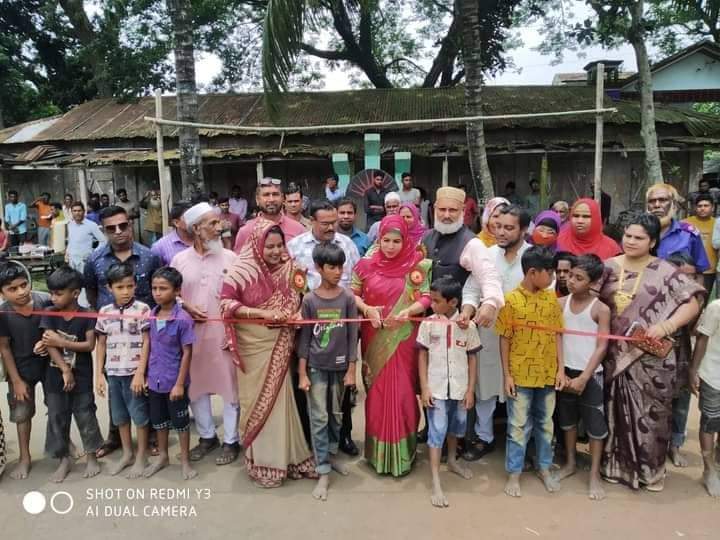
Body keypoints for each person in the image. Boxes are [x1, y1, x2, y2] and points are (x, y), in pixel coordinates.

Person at [598, 212, 703, 491]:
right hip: (614, 357)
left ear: (653, 241)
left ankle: (651, 472)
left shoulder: (667, 271)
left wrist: (666, 325)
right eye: (628, 235)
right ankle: (615, 467)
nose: (631, 241)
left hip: (653, 359)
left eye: (639, 237)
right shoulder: (607, 267)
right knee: (615, 412)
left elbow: (693, 303)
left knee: (653, 418)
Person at [221, 220, 316, 487]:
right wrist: (262, 313)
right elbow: (226, 303)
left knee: (281, 400)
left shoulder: (291, 269)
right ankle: (264, 462)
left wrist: (297, 314)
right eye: (269, 246)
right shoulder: (241, 270)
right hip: (254, 346)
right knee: (258, 401)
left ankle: (290, 457)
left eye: (279, 245)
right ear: (256, 245)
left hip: (282, 343)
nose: (275, 251)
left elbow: (302, 298)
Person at [352, 215, 432, 476]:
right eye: (385, 240)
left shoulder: (417, 266)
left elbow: (427, 296)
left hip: (404, 338)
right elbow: (352, 295)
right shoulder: (364, 266)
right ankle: (377, 455)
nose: (390, 246)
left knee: (404, 394)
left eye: (396, 241)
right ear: (378, 238)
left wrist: (411, 310)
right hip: (374, 337)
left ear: (405, 240)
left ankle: (404, 454)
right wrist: (366, 308)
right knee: (376, 395)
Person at [84, 205, 162, 458]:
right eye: (111, 228)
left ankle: (149, 435)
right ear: (103, 231)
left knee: (144, 384)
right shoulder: (94, 259)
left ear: (130, 224)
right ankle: (115, 436)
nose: (119, 232)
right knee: (114, 384)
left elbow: (159, 292)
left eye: (123, 225)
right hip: (111, 334)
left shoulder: (149, 256)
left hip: (144, 334)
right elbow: (92, 293)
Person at [287, 199, 360, 455]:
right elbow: (289, 287)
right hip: (309, 327)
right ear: (312, 222)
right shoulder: (295, 247)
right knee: (313, 391)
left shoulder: (347, 245)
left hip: (344, 322)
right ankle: (313, 443)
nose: (331, 227)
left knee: (342, 392)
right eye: (325, 223)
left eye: (334, 222)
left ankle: (343, 438)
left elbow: (357, 282)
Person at [172, 203, 240, 465]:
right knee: (197, 389)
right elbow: (171, 294)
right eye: (211, 224)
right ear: (196, 229)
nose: (218, 227)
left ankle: (231, 441)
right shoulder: (179, 261)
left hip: (224, 335)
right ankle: (207, 437)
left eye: (218, 222)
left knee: (229, 387)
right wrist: (186, 306)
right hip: (191, 337)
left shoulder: (231, 258)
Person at [461, 205, 531, 461]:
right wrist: (469, 310)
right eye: (497, 226)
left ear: (523, 229)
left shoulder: (534, 257)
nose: (501, 232)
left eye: (509, 228)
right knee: (486, 387)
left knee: (522, 392)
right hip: (489, 335)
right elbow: (471, 289)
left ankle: (520, 443)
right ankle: (484, 436)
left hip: (523, 339)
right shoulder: (487, 255)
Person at [647, 183, 710, 466]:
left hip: (680, 322)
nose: (657, 205)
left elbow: (701, 272)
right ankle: (648, 440)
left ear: (674, 203)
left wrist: (697, 312)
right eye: (652, 201)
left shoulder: (688, 234)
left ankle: (675, 442)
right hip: (644, 322)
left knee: (680, 386)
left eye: (662, 200)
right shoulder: (640, 230)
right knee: (647, 382)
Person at [496, 246, 565, 498]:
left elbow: (558, 335)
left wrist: (560, 369)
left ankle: (544, 468)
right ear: (533, 272)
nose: (554, 277)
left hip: (547, 375)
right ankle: (514, 473)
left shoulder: (551, 299)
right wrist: (507, 375)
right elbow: (504, 339)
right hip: (520, 377)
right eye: (551, 272)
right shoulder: (510, 301)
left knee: (545, 425)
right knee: (518, 426)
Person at [297, 242, 358, 501]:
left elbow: (354, 334)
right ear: (319, 268)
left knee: (336, 416)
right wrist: (302, 373)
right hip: (316, 367)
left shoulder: (348, 298)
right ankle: (322, 469)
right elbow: (305, 338)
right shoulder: (310, 299)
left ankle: (331, 456)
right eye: (332, 267)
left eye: (340, 266)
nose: (338, 271)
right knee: (319, 417)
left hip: (341, 366)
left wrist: (352, 369)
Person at [418, 276, 480, 508]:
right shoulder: (428, 324)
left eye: (436, 301)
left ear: (453, 302)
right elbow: (422, 356)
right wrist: (424, 388)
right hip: (436, 389)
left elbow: (472, 358)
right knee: (436, 431)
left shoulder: (469, 326)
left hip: (460, 388)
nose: (431, 305)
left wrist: (471, 390)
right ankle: (435, 480)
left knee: (456, 426)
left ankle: (452, 460)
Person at [554, 254, 610, 501]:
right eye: (570, 275)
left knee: (595, 425)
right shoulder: (560, 303)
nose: (570, 281)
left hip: (590, 375)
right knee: (567, 421)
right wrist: (560, 371)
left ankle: (594, 473)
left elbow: (602, 346)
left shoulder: (600, 309)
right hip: (565, 372)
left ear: (593, 282)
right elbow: (556, 337)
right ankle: (570, 462)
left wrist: (585, 377)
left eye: (579, 278)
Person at [40, 267, 103, 482]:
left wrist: (62, 342)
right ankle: (63, 458)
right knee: (57, 417)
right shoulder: (49, 313)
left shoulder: (86, 315)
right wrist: (65, 369)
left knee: (85, 414)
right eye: (51, 293)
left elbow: (89, 345)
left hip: (83, 377)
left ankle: (91, 455)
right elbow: (49, 344)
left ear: (75, 293)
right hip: (55, 376)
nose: (53, 297)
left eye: (58, 293)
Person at [93, 262, 152, 477]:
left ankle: (141, 455)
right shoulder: (104, 312)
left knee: (140, 416)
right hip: (113, 373)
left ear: (135, 285)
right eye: (119, 287)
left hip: (134, 374)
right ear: (109, 288)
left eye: (129, 286)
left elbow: (147, 342)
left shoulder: (142, 309)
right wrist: (99, 374)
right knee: (120, 417)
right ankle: (127, 454)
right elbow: (100, 344)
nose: (125, 291)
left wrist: (140, 373)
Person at [142, 266, 197, 480]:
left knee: (181, 423)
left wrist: (179, 384)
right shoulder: (151, 316)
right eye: (154, 288)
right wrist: (145, 375)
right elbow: (148, 346)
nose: (157, 293)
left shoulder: (182, 319)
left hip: (175, 381)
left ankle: (184, 460)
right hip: (155, 380)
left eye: (163, 288)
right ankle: (163, 456)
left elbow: (187, 353)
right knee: (159, 421)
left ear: (176, 291)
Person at [0, 262, 52, 479]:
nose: (21, 292)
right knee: (22, 414)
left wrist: (48, 341)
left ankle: (61, 443)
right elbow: (4, 347)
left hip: (50, 364)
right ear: (1, 292)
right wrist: (17, 381)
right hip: (21, 370)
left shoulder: (44, 300)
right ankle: (24, 457)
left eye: (24, 285)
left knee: (58, 406)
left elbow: (57, 328)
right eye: (12, 289)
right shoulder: (3, 313)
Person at [665, 251, 700, 468]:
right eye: (684, 277)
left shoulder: (696, 300)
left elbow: (695, 330)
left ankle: (675, 446)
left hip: (682, 357)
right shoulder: (657, 297)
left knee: (681, 404)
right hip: (657, 357)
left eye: (693, 277)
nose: (690, 282)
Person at [689, 296, 720, 497]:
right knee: (710, 421)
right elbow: (702, 338)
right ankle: (709, 469)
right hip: (714, 374)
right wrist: (693, 369)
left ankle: (717, 463)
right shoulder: (716, 308)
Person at [233, 177, 306, 252]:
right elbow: (240, 262)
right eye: (266, 195)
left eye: (275, 194)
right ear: (257, 200)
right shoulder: (246, 231)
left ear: (282, 198)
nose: (271, 199)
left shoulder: (298, 230)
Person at [684, 193, 718, 299]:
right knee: (687, 300)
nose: (702, 209)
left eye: (706, 206)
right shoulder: (685, 223)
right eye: (699, 206)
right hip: (689, 269)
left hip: (709, 270)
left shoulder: (717, 224)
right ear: (695, 208)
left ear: (712, 208)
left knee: (703, 300)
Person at [66, 202, 106, 273]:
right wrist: (67, 253)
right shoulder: (70, 225)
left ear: (84, 211)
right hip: (72, 261)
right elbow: (71, 241)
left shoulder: (91, 225)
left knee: (86, 282)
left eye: (79, 210)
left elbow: (103, 241)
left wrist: (93, 254)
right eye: (74, 211)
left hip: (84, 261)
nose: (77, 213)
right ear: (71, 212)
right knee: (74, 283)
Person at [150, 202, 193, 266]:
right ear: (176, 223)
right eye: (189, 217)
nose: (194, 220)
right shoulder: (160, 247)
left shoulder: (204, 240)